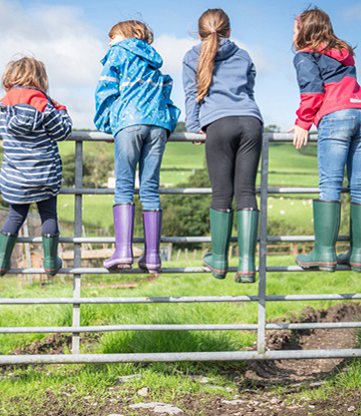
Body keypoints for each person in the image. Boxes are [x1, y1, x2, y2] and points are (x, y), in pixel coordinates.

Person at [289, 7, 361, 273]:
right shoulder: (345, 54)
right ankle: (359, 254)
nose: (292, 34)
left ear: (305, 31)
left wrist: (302, 123)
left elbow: (313, 91)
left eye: (295, 29)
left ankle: (325, 252)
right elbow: (351, 93)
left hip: (336, 117)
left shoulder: (305, 56)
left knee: (330, 183)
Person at [182, 8, 264, 283]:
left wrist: (193, 128)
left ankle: (218, 260)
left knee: (221, 194)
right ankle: (247, 264)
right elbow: (249, 90)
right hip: (252, 122)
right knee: (245, 192)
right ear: (229, 31)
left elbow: (192, 94)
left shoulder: (192, 56)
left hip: (219, 124)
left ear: (200, 33)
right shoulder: (243, 54)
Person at [95, 20, 180, 273]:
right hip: (158, 125)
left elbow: (105, 91)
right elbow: (167, 96)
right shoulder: (154, 62)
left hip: (129, 122)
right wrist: (167, 124)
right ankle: (153, 257)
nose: (109, 41)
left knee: (123, 186)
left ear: (127, 36)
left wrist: (106, 124)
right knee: (150, 188)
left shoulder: (117, 53)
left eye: (112, 35)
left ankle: (123, 252)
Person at [0, 57, 72, 277]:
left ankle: (1, 260)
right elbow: (62, 132)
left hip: (16, 177)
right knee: (48, 216)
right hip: (45, 175)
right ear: (40, 79)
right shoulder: (43, 105)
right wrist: (61, 109)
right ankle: (50, 262)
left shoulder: (4, 106)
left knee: (15, 216)